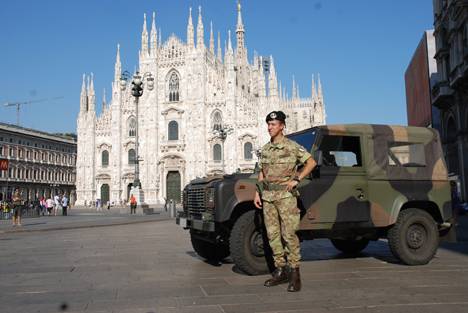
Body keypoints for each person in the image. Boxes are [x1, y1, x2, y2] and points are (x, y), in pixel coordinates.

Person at [254, 111, 316, 292]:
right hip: (268, 197)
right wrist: (258, 193)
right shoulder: (265, 149)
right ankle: (281, 270)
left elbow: (311, 162)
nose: (269, 127)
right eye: (268, 124)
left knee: (289, 235)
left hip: (286, 197)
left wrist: (297, 179)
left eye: (273, 124)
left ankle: (295, 274)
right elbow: (261, 172)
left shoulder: (292, 146)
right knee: (273, 235)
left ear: (281, 126)